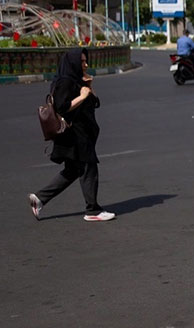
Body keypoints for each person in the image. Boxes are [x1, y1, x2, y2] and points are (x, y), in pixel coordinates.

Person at [29, 48, 115, 222]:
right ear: (73, 63)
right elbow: (62, 106)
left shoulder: (75, 80)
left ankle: (40, 198)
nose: (86, 64)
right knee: (89, 168)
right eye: (82, 61)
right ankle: (92, 211)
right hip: (76, 135)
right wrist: (83, 96)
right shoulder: (66, 81)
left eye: (85, 60)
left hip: (78, 134)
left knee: (73, 170)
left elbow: (94, 103)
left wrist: (88, 87)